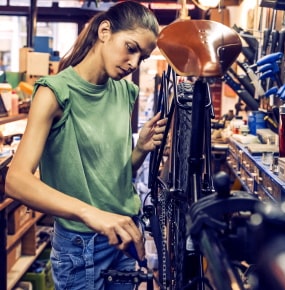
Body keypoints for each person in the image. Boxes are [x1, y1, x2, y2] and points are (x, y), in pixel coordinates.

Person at [5, 1, 167, 289]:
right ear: (105, 31)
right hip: (82, 247)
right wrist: (90, 214)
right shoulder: (54, 92)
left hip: (126, 234)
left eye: (141, 57)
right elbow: (15, 180)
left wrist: (140, 148)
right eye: (131, 48)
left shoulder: (125, 92)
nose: (133, 63)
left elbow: (112, 177)